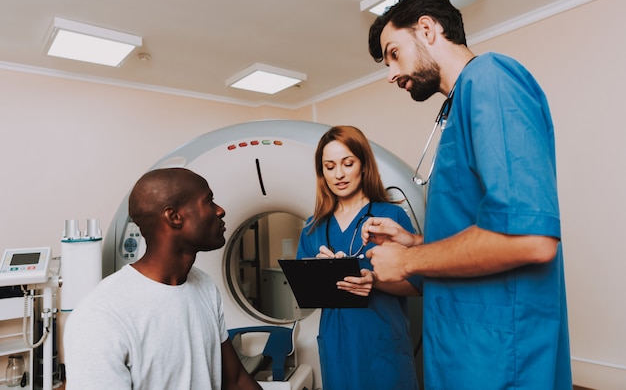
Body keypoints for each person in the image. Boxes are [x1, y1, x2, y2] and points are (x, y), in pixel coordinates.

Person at [363, 0, 572, 389]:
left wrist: (408, 261)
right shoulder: (461, 103)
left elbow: (530, 238)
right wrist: (415, 241)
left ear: (427, 29)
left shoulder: (490, 78)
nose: (391, 74)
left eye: (393, 54)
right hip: (464, 350)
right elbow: (483, 225)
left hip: (497, 358)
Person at [63, 168, 262, 390]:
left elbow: (235, 381)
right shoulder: (101, 317)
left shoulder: (204, 286)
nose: (220, 211)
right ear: (174, 217)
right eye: (209, 202)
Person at [296, 125, 421, 390]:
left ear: (363, 165)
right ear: (322, 173)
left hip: (382, 342)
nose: (339, 174)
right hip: (336, 345)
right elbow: (305, 297)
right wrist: (321, 274)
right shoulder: (313, 227)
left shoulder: (391, 218)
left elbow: (418, 285)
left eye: (347, 163)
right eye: (329, 167)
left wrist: (374, 282)